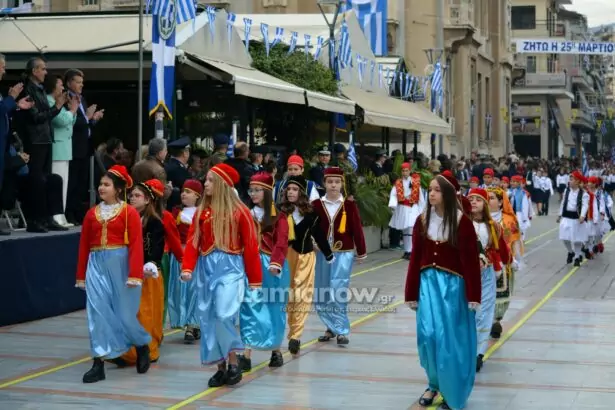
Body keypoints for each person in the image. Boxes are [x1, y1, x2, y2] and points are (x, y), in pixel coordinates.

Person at [405, 170, 481, 410]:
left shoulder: (462, 223)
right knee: (427, 336)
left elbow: (470, 261)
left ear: (448, 194)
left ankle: (452, 392)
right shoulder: (422, 220)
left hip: (453, 288)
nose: (432, 194)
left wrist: (474, 295)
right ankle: (433, 383)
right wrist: (410, 292)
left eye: (437, 190)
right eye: (430, 190)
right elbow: (415, 258)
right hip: (427, 285)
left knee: (450, 341)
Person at [180, 163, 262, 387]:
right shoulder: (201, 212)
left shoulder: (240, 212)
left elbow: (251, 247)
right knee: (208, 318)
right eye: (206, 180)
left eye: (210, 180)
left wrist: (255, 280)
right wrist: (187, 267)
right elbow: (193, 241)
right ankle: (220, 366)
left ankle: (234, 360)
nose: (205, 184)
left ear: (223, 184)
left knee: (224, 314)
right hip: (205, 269)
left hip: (231, 269)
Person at [75, 165, 151, 383]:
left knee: (125, 314)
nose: (101, 188)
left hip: (121, 266)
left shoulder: (129, 213)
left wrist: (135, 274)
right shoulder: (91, 214)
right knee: (97, 313)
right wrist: (81, 275)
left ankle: (141, 344)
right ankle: (98, 362)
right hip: (96, 265)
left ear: (118, 189)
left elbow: (136, 245)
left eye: (106, 184)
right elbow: (83, 246)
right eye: (100, 184)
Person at [238, 172, 290, 372]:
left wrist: (276, 263)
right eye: (251, 190)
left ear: (267, 192)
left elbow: (281, 242)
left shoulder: (279, 216)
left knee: (274, 308)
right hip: (250, 264)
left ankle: (276, 350)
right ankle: (246, 354)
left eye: (257, 190)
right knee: (249, 306)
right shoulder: (245, 214)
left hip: (272, 266)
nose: (253, 194)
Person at [279, 174, 334, 356]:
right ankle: (290, 329)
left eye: (295, 189)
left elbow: (319, 235)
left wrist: (328, 253)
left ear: (302, 193)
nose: (291, 192)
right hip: (285, 258)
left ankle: (295, 336)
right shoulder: (280, 212)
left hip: (305, 257)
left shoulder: (311, 214)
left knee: (302, 295)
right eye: (289, 189)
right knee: (289, 295)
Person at [312, 167, 366, 346]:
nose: (333, 185)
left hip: (343, 254)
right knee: (322, 291)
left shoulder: (349, 206)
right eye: (330, 182)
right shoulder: (316, 205)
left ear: (342, 184)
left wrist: (361, 250)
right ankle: (330, 327)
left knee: (338, 290)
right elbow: (310, 228)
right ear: (324, 184)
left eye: (336, 182)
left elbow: (357, 229)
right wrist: (312, 243)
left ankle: (341, 330)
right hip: (322, 254)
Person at [116, 179, 166, 366]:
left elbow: (156, 248)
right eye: (131, 195)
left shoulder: (154, 223)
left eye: (137, 196)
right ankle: (127, 352)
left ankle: (148, 350)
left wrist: (150, 264)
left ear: (147, 200)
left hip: (147, 275)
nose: (132, 198)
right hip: (128, 273)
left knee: (145, 313)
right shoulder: (124, 219)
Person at [467, 188, 510, 372]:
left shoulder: (493, 226)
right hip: (466, 274)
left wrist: (502, 263)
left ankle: (478, 354)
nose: (474, 202)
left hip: (486, 275)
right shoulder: (462, 224)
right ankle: (466, 350)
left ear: (485, 204)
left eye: (478, 199)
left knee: (484, 313)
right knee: (468, 312)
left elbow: (502, 250)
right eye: (471, 199)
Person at [64, 69, 103, 225]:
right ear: (69, 83)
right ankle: (69, 213)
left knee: (82, 182)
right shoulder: (66, 99)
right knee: (72, 182)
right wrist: (87, 117)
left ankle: (78, 212)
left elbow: (85, 123)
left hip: (85, 147)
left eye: (82, 82)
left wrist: (93, 119)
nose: (81, 85)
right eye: (78, 82)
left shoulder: (82, 99)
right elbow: (70, 122)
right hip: (73, 146)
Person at [168, 179, 203, 342]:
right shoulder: (177, 213)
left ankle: (192, 325)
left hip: (196, 257)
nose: (183, 194)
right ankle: (185, 321)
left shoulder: (202, 213)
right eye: (183, 191)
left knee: (194, 291)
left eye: (188, 192)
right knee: (180, 292)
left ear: (197, 196)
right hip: (179, 257)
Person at [487, 187, 522, 339]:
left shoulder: (509, 220)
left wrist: (516, 259)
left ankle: (496, 320)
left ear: (501, 202)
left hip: (505, 262)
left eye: (492, 198)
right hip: (485, 262)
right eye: (486, 198)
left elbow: (514, 241)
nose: (488, 200)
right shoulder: (478, 218)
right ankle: (487, 319)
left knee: (501, 294)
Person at [45, 75, 79, 228]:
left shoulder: (58, 102)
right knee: (57, 183)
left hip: (64, 148)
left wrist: (72, 111)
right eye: (60, 85)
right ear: (53, 86)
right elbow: (60, 120)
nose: (63, 88)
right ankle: (56, 215)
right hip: (57, 148)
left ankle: (61, 215)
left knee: (64, 183)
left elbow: (70, 121)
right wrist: (72, 110)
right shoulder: (49, 101)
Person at [388, 162, 426, 260]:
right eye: (403, 171)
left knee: (411, 228)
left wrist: (422, 210)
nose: (405, 173)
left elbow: (420, 197)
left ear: (409, 171)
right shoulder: (398, 183)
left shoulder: (415, 182)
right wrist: (393, 204)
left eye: (406, 171)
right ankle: (407, 250)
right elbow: (393, 194)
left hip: (413, 208)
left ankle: (411, 250)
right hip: (403, 208)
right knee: (405, 230)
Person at [557, 171, 589, 267]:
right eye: (570, 179)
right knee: (564, 237)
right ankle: (571, 252)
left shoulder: (583, 194)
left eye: (571, 179)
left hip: (577, 218)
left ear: (577, 181)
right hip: (566, 217)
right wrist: (559, 215)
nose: (569, 181)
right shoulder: (566, 191)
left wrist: (582, 216)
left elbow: (585, 205)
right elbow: (563, 203)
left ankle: (577, 257)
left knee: (577, 239)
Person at [164, 137, 192, 210]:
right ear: (185, 153)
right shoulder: (180, 170)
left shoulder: (166, 165)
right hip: (176, 209)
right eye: (188, 151)